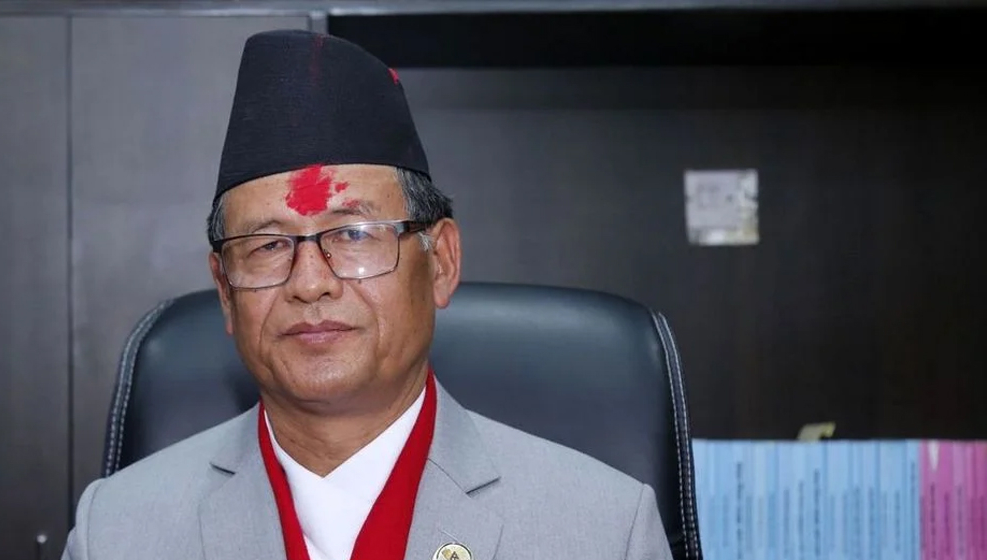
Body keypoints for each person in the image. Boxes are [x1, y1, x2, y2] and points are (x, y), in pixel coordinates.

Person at [61, 29, 672, 560]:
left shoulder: (603, 529)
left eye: (353, 234)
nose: (309, 283)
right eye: (267, 245)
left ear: (441, 262)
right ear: (225, 291)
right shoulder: (114, 532)